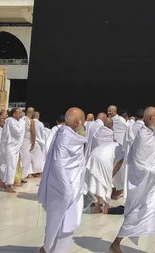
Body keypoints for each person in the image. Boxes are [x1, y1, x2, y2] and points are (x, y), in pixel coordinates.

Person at [109, 107, 155, 253]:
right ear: (151, 119)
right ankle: (116, 243)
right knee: (136, 213)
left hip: (150, 182)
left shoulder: (150, 133)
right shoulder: (143, 136)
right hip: (142, 182)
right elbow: (139, 162)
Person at [39, 107, 88, 253]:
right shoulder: (64, 136)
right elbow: (59, 163)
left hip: (74, 188)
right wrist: (66, 190)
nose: (85, 123)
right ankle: (48, 249)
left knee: (68, 224)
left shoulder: (74, 136)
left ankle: (51, 249)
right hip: (62, 189)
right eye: (84, 120)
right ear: (78, 121)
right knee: (60, 222)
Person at [86, 118, 124, 214]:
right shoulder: (123, 150)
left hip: (93, 155)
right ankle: (106, 209)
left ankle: (97, 208)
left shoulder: (100, 134)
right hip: (104, 158)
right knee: (107, 183)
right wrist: (111, 175)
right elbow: (119, 165)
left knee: (96, 181)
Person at [0, 107, 25, 193]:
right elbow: (18, 131)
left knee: (5, 164)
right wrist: (22, 122)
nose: (20, 114)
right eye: (18, 113)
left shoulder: (12, 121)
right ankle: (8, 185)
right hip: (10, 147)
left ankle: (0, 181)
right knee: (11, 165)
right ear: (14, 114)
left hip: (12, 147)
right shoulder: (11, 121)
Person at [20, 107, 36, 179]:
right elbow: (33, 132)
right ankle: (22, 176)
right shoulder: (31, 121)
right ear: (32, 113)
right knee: (26, 158)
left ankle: (19, 175)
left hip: (20, 140)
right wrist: (33, 142)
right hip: (27, 141)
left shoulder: (22, 119)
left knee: (21, 157)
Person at [31, 111, 46, 177]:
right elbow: (43, 134)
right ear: (38, 116)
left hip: (31, 143)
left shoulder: (30, 122)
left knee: (31, 159)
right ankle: (38, 172)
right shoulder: (40, 124)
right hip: (39, 143)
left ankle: (30, 172)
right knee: (38, 159)